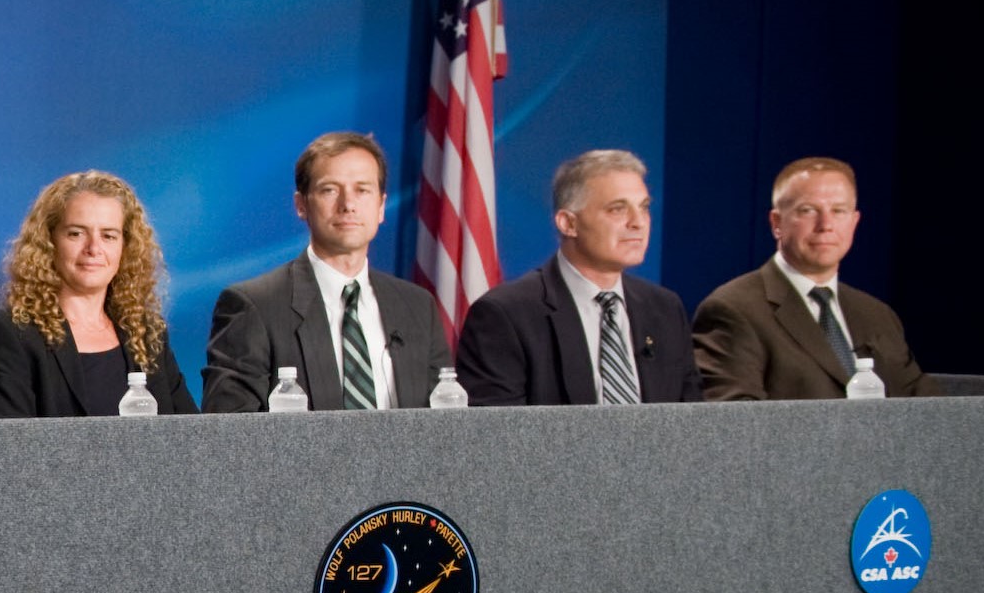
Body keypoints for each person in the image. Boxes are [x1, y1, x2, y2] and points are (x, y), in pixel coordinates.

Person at [202, 132, 450, 412]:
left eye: (362, 190)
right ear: (301, 205)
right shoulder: (255, 306)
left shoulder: (417, 307)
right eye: (330, 189)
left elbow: (446, 428)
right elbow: (228, 434)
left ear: (381, 207)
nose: (348, 205)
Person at [455, 148, 703, 405]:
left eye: (644, 208)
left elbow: (694, 423)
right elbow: (495, 435)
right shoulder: (506, 315)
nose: (638, 222)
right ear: (568, 223)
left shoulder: (665, 309)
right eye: (618, 209)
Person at [691, 157, 937, 399]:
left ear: (854, 222)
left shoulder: (878, 315)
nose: (825, 224)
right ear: (776, 222)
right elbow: (735, 422)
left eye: (838, 211)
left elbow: (923, 406)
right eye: (808, 210)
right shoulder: (733, 309)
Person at [0, 171, 196, 417]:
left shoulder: (146, 333)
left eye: (108, 236)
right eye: (76, 233)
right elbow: (7, 445)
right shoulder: (9, 334)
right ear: (49, 241)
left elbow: (191, 436)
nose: (93, 248)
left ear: (125, 247)